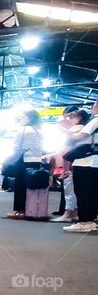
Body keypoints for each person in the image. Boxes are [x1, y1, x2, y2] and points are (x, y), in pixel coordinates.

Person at [64, 99, 98, 234]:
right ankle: (90, 220)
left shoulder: (95, 121)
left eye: (94, 104)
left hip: (85, 160)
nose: (93, 107)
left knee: (82, 192)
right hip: (95, 160)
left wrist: (64, 130)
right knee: (93, 193)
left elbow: (79, 137)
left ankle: (84, 221)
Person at [6, 110, 45, 219]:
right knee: (32, 186)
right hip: (37, 160)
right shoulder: (38, 130)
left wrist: (11, 158)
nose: (21, 119)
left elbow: (17, 146)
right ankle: (32, 209)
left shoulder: (23, 129)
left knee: (20, 186)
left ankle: (19, 210)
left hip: (24, 159)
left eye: (23, 117)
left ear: (29, 118)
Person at [52, 108, 86, 223]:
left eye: (72, 117)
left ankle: (68, 214)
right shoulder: (82, 129)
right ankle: (74, 213)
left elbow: (68, 143)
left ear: (79, 118)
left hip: (71, 163)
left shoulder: (77, 128)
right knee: (74, 190)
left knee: (69, 190)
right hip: (75, 163)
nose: (68, 119)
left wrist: (60, 127)